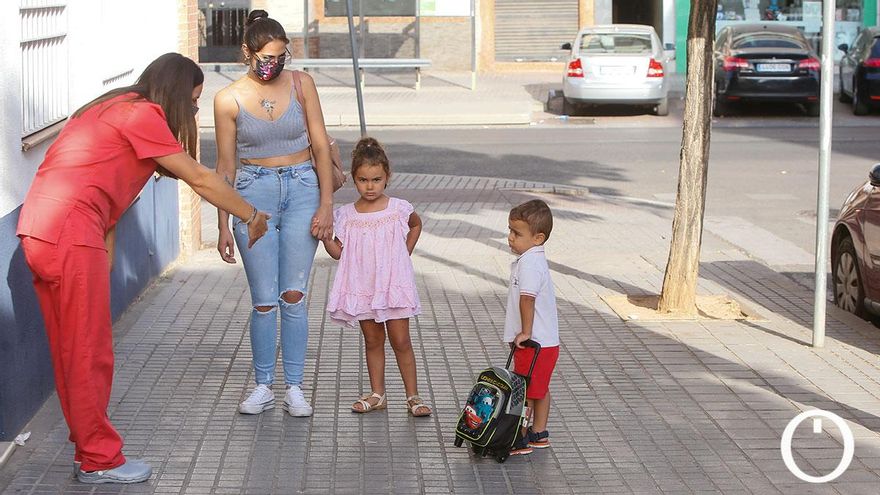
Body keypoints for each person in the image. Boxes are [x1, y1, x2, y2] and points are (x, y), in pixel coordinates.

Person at [16, 53, 270, 484]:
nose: (194, 110)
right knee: (89, 353)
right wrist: (250, 214)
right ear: (174, 93)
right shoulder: (144, 115)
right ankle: (98, 459)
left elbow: (103, 188)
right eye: (193, 101)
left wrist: (105, 255)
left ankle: (87, 448)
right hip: (71, 233)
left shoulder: (106, 108)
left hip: (39, 230)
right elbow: (200, 177)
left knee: (70, 349)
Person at [213, 9, 335, 417]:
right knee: (264, 299)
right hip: (253, 194)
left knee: (294, 295)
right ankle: (264, 385)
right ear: (247, 52)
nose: (274, 64)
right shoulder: (227, 98)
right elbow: (225, 167)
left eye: (281, 56)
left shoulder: (302, 84)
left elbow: (320, 145)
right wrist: (223, 225)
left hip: (303, 188)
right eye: (267, 57)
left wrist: (327, 204)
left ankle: (295, 388)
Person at [322, 138, 432, 417]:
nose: (370, 186)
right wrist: (325, 238)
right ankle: (377, 394)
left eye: (376, 180)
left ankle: (413, 396)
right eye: (363, 180)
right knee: (372, 341)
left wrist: (405, 252)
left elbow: (416, 224)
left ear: (387, 177)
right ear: (354, 179)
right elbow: (338, 252)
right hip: (364, 287)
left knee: (401, 341)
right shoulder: (346, 215)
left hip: (392, 286)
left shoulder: (398, 209)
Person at [503, 199, 560, 456]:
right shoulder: (531, 259)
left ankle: (521, 437)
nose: (510, 237)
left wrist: (525, 332)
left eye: (517, 233)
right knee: (538, 389)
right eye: (510, 230)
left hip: (534, 343)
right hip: (545, 343)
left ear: (538, 238)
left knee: (525, 391)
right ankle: (539, 433)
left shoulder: (530, 264)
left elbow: (527, 299)